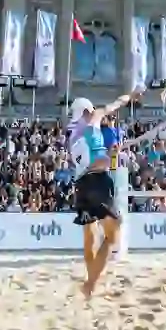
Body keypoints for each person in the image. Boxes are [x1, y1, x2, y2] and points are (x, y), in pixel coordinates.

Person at [68, 89, 142, 298]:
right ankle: (90, 284)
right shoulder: (94, 121)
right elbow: (114, 104)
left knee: (89, 237)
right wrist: (131, 96)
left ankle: (90, 283)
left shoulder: (73, 137)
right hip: (98, 182)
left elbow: (85, 164)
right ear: (87, 111)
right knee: (112, 234)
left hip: (81, 185)